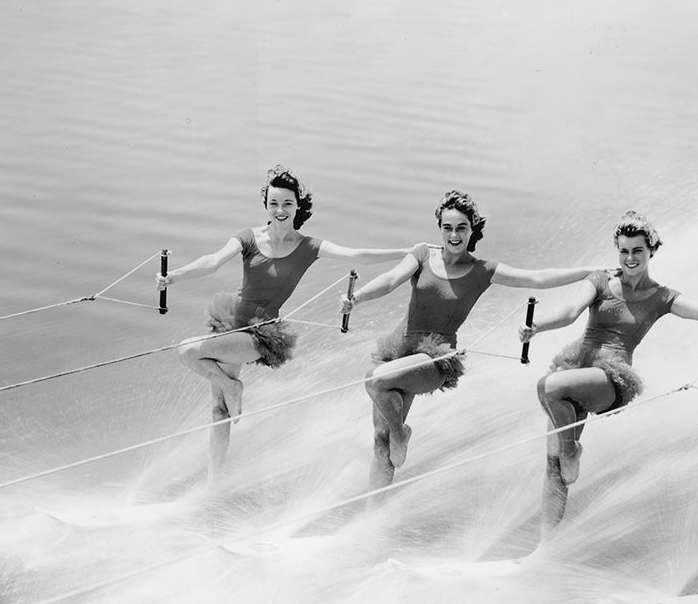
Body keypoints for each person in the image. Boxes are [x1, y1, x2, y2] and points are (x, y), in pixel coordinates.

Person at [518, 210, 698, 546]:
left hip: (609, 378)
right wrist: (536, 327)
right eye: (623, 251)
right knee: (553, 468)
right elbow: (568, 314)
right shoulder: (599, 281)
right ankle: (543, 548)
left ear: (651, 250)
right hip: (576, 368)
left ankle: (571, 450)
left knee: (546, 389)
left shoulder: (661, 297)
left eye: (637, 250)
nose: (629, 258)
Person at [156, 165, 417, 483]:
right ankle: (214, 485)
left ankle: (230, 385)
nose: (280, 210)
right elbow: (212, 261)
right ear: (266, 204)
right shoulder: (249, 238)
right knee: (219, 413)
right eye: (274, 203)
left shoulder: (308, 247)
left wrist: (407, 251)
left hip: (260, 335)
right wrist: (175, 275)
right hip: (230, 324)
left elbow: (357, 254)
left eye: (287, 204)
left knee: (187, 351)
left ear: (298, 206)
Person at [339, 189, 604, 492]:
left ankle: (401, 433)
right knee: (379, 441)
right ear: (439, 228)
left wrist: (590, 271)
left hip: (434, 358)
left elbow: (538, 278)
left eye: (461, 228)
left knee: (376, 382)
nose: (454, 235)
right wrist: (355, 298)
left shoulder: (481, 270)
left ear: (472, 229)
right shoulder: (423, 255)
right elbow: (390, 279)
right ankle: (374, 517)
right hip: (399, 350)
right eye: (447, 227)